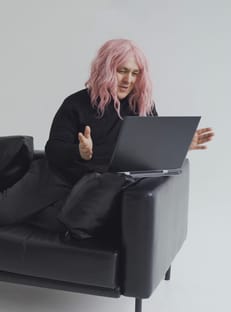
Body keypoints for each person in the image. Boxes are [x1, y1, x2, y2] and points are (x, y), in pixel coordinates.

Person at [0, 38, 214, 236]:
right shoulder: (76, 103)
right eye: (122, 71)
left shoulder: (142, 107)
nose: (128, 80)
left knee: (63, 225)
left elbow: (150, 152)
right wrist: (80, 152)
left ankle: (43, 214)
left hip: (91, 188)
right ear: (106, 69)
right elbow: (54, 149)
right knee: (5, 214)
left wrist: (180, 145)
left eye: (135, 73)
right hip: (54, 177)